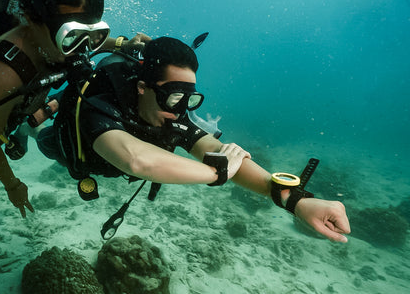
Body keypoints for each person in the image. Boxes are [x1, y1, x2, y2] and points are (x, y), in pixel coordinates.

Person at [36, 36, 351, 243]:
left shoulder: (173, 113)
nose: (181, 111)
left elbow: (218, 152)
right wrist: (217, 171)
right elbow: (137, 160)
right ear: (143, 86)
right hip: (66, 147)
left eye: (190, 99)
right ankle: (31, 122)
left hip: (117, 159)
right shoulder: (100, 106)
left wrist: (296, 201)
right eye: (174, 97)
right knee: (39, 139)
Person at [0, 0, 143, 218]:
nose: (83, 46)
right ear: (32, 19)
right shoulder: (2, 72)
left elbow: (86, 40)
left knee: (23, 127)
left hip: (28, 101)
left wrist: (121, 43)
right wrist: (12, 184)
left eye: (92, 32)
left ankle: (23, 127)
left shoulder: (60, 38)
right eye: (71, 34)